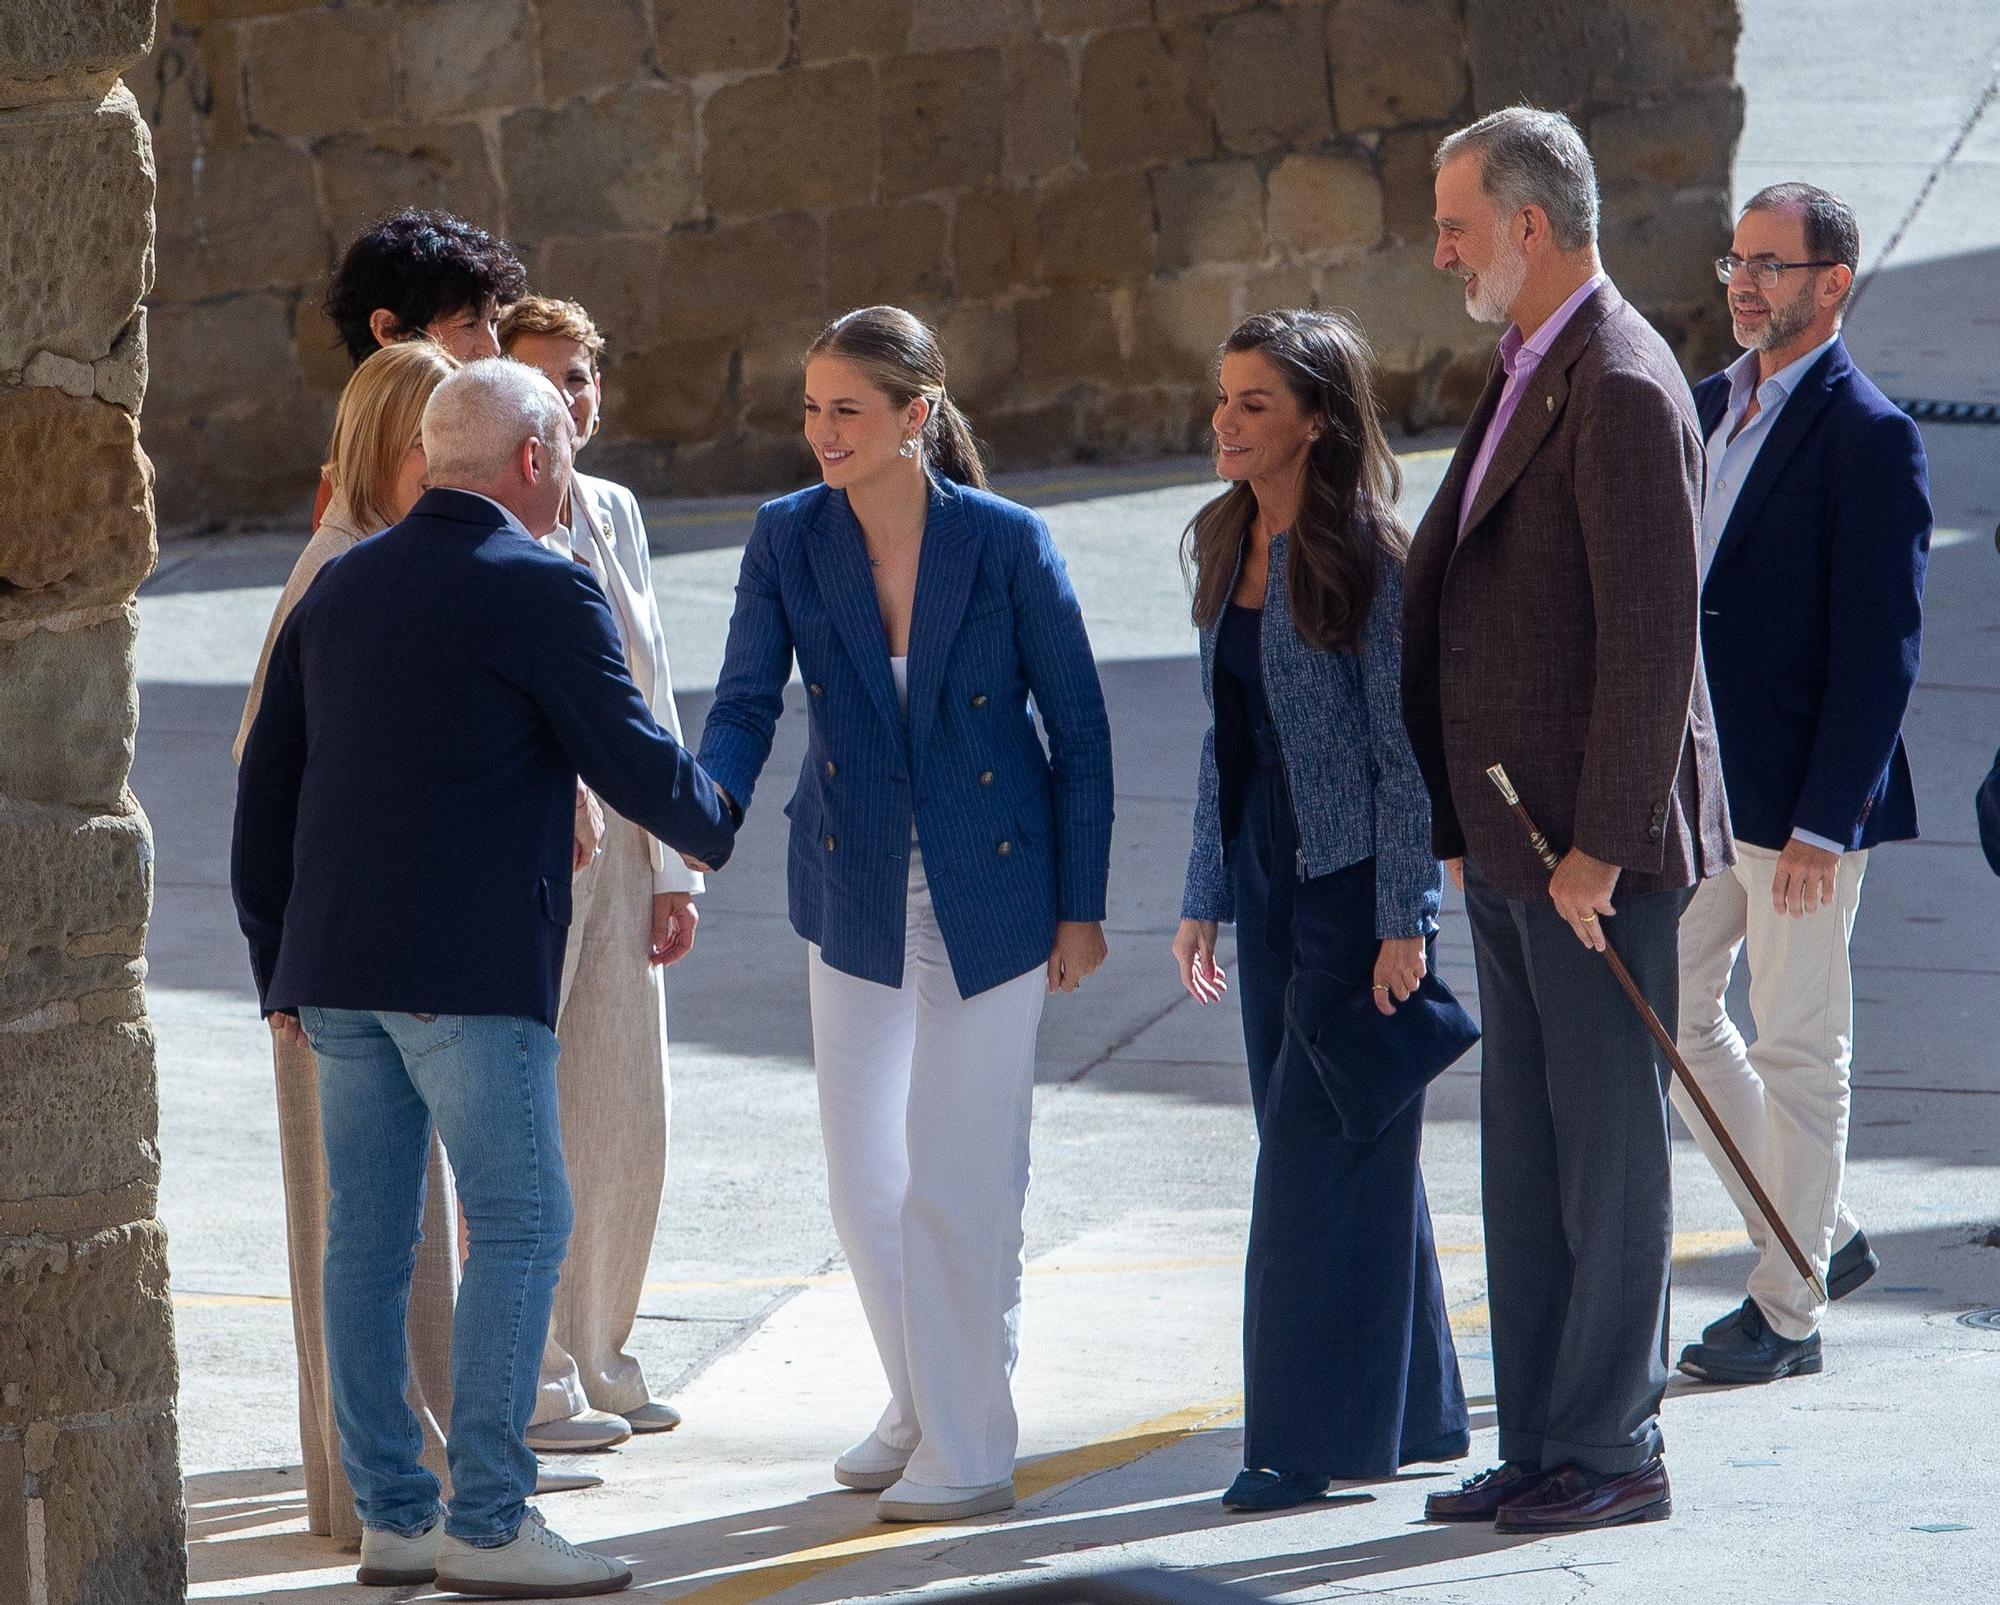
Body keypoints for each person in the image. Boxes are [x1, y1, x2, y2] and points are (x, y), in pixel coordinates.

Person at [232, 359, 736, 1598]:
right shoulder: (540, 583)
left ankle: (397, 1521)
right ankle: (493, 1521)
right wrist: (714, 818)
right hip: (464, 972)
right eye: (561, 453)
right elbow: (630, 756)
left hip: (336, 972)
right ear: (531, 458)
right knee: (523, 1224)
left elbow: (265, 792)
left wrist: (276, 965)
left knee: (368, 1243)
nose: (568, 477)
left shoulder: (342, 583)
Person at [696, 305, 1114, 1523]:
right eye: (810, 409)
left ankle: (969, 1446)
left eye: (847, 411)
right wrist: (703, 804)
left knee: (957, 1169)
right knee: (862, 1178)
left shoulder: (1004, 541)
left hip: (995, 886)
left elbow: (1079, 731)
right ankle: (921, 1396)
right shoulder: (787, 535)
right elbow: (743, 701)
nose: (821, 432)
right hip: (855, 882)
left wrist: (1080, 908)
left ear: (913, 418)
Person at [1402, 107, 1731, 1535]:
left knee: (1606, 1158)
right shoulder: (1529, 360)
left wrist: (1600, 845)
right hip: (1511, 840)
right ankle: (1539, 1435)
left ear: (1529, 225)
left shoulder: (1622, 382)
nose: (1441, 253)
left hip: (1592, 858)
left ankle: (1613, 1443)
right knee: (1529, 1158)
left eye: (1457, 227)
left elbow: (1653, 643)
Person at [1172, 310, 1469, 1513]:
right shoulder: (1222, 539)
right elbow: (1224, 741)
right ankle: (1418, 1407)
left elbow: (1406, 758)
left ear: (1314, 421)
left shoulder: (1370, 561)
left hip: (1349, 891)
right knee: (1341, 1142)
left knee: (1313, 1165)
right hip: (1263, 879)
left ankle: (1293, 1443)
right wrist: (1202, 895)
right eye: (1222, 397)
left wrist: (1406, 918)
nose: (1226, 420)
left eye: (1254, 403)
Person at [1672, 184, 1930, 1385]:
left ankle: (1785, 1313)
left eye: (1769, 265)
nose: (1743, 282)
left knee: (1797, 1048)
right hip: (1702, 794)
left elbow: (1881, 651)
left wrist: (1826, 823)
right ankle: (1819, 1231)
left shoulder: (1868, 435)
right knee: (1671, 1011)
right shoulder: (1704, 405)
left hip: (1799, 811)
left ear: (1832, 283)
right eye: (1735, 260)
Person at [234, 339, 461, 1545]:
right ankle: (376, 1494)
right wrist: (279, 968)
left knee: (389, 1244)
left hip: (353, 962)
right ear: (386, 447)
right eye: (432, 441)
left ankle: (402, 1486)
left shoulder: (377, 559)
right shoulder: (335, 572)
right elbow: (264, 783)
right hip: (328, 972)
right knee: (366, 1244)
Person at [499, 296, 703, 1450]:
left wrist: (674, 866)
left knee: (625, 1114)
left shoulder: (613, 509)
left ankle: (603, 1357)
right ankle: (531, 1382)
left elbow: (651, 687)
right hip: (529, 837)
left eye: (579, 376)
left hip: (621, 837)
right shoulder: (486, 511)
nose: (567, 398)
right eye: (543, 378)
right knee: (524, 1116)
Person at [309, 208, 527, 527]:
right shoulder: (357, 480)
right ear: (388, 329)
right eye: (469, 324)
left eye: (494, 322)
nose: (492, 348)